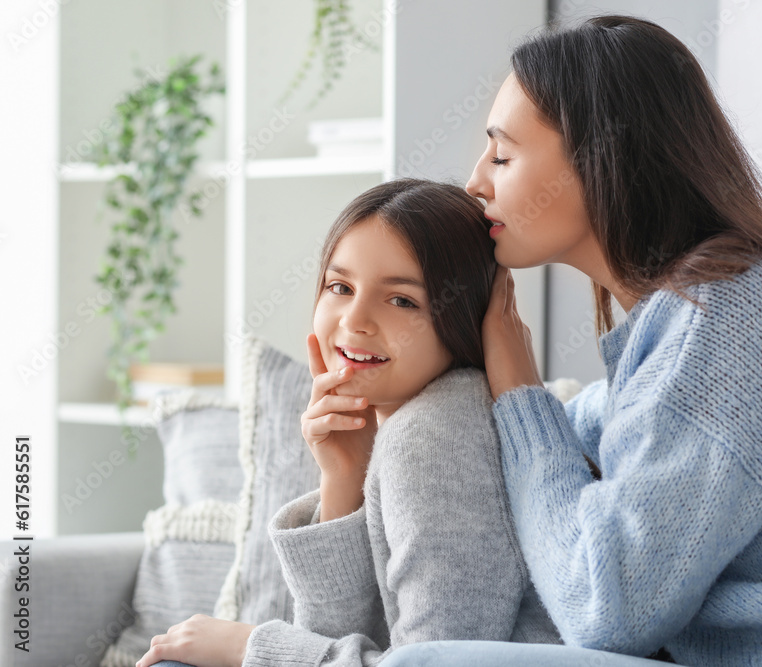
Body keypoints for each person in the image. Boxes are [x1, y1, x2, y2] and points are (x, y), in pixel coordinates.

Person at [382, 14, 762, 667]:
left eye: (502, 154)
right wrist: (358, 457)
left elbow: (606, 609)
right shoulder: (680, 330)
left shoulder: (731, 318)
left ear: (600, 160)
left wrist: (516, 384)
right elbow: (581, 440)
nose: (477, 180)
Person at [135, 179, 563, 667]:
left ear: (463, 318)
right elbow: (337, 639)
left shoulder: (435, 435)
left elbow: (434, 662)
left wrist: (251, 648)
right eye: (340, 287)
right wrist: (343, 480)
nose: (354, 320)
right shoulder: (429, 419)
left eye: (401, 300)